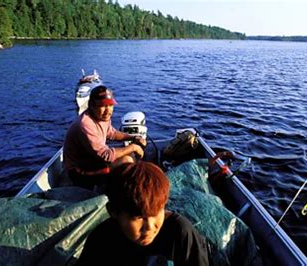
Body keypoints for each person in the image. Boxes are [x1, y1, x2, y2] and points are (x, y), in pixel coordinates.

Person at [77, 161, 209, 266]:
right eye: (138, 218)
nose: (150, 227)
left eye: (156, 212)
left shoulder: (180, 232)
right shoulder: (101, 240)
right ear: (113, 211)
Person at [63, 85, 146, 190]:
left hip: (91, 161)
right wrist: (134, 147)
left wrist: (133, 138)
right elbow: (106, 156)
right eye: (102, 106)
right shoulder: (85, 125)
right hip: (79, 172)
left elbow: (112, 133)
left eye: (110, 105)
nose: (108, 111)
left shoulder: (101, 117)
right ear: (91, 105)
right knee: (127, 160)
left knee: (129, 154)